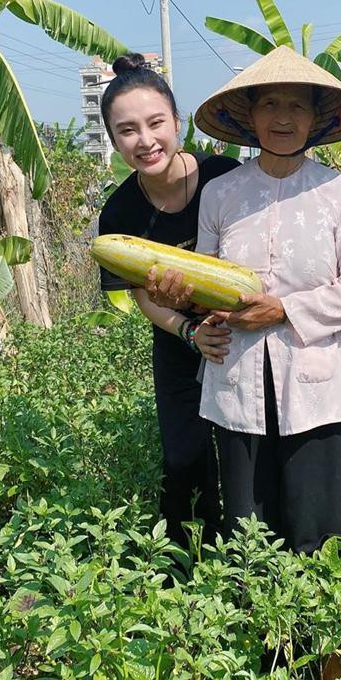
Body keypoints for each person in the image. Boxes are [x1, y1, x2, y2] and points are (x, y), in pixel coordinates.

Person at [192, 45, 341, 554]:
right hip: (238, 370)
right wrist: (201, 316)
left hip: (314, 374)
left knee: (324, 527)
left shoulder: (339, 192)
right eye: (270, 104)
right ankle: (254, 597)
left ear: (316, 119)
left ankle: (328, 596)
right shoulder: (220, 194)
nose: (283, 117)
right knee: (248, 528)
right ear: (249, 116)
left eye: (297, 106)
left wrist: (283, 309)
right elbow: (204, 280)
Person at [96, 53, 238, 549]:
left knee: (244, 449)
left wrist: (226, 317)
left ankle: (254, 552)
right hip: (179, 338)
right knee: (184, 457)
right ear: (114, 140)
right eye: (127, 130)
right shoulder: (120, 213)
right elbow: (145, 299)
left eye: (155, 123)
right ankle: (189, 557)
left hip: (244, 331)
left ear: (177, 122)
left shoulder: (224, 176)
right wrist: (190, 330)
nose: (145, 140)